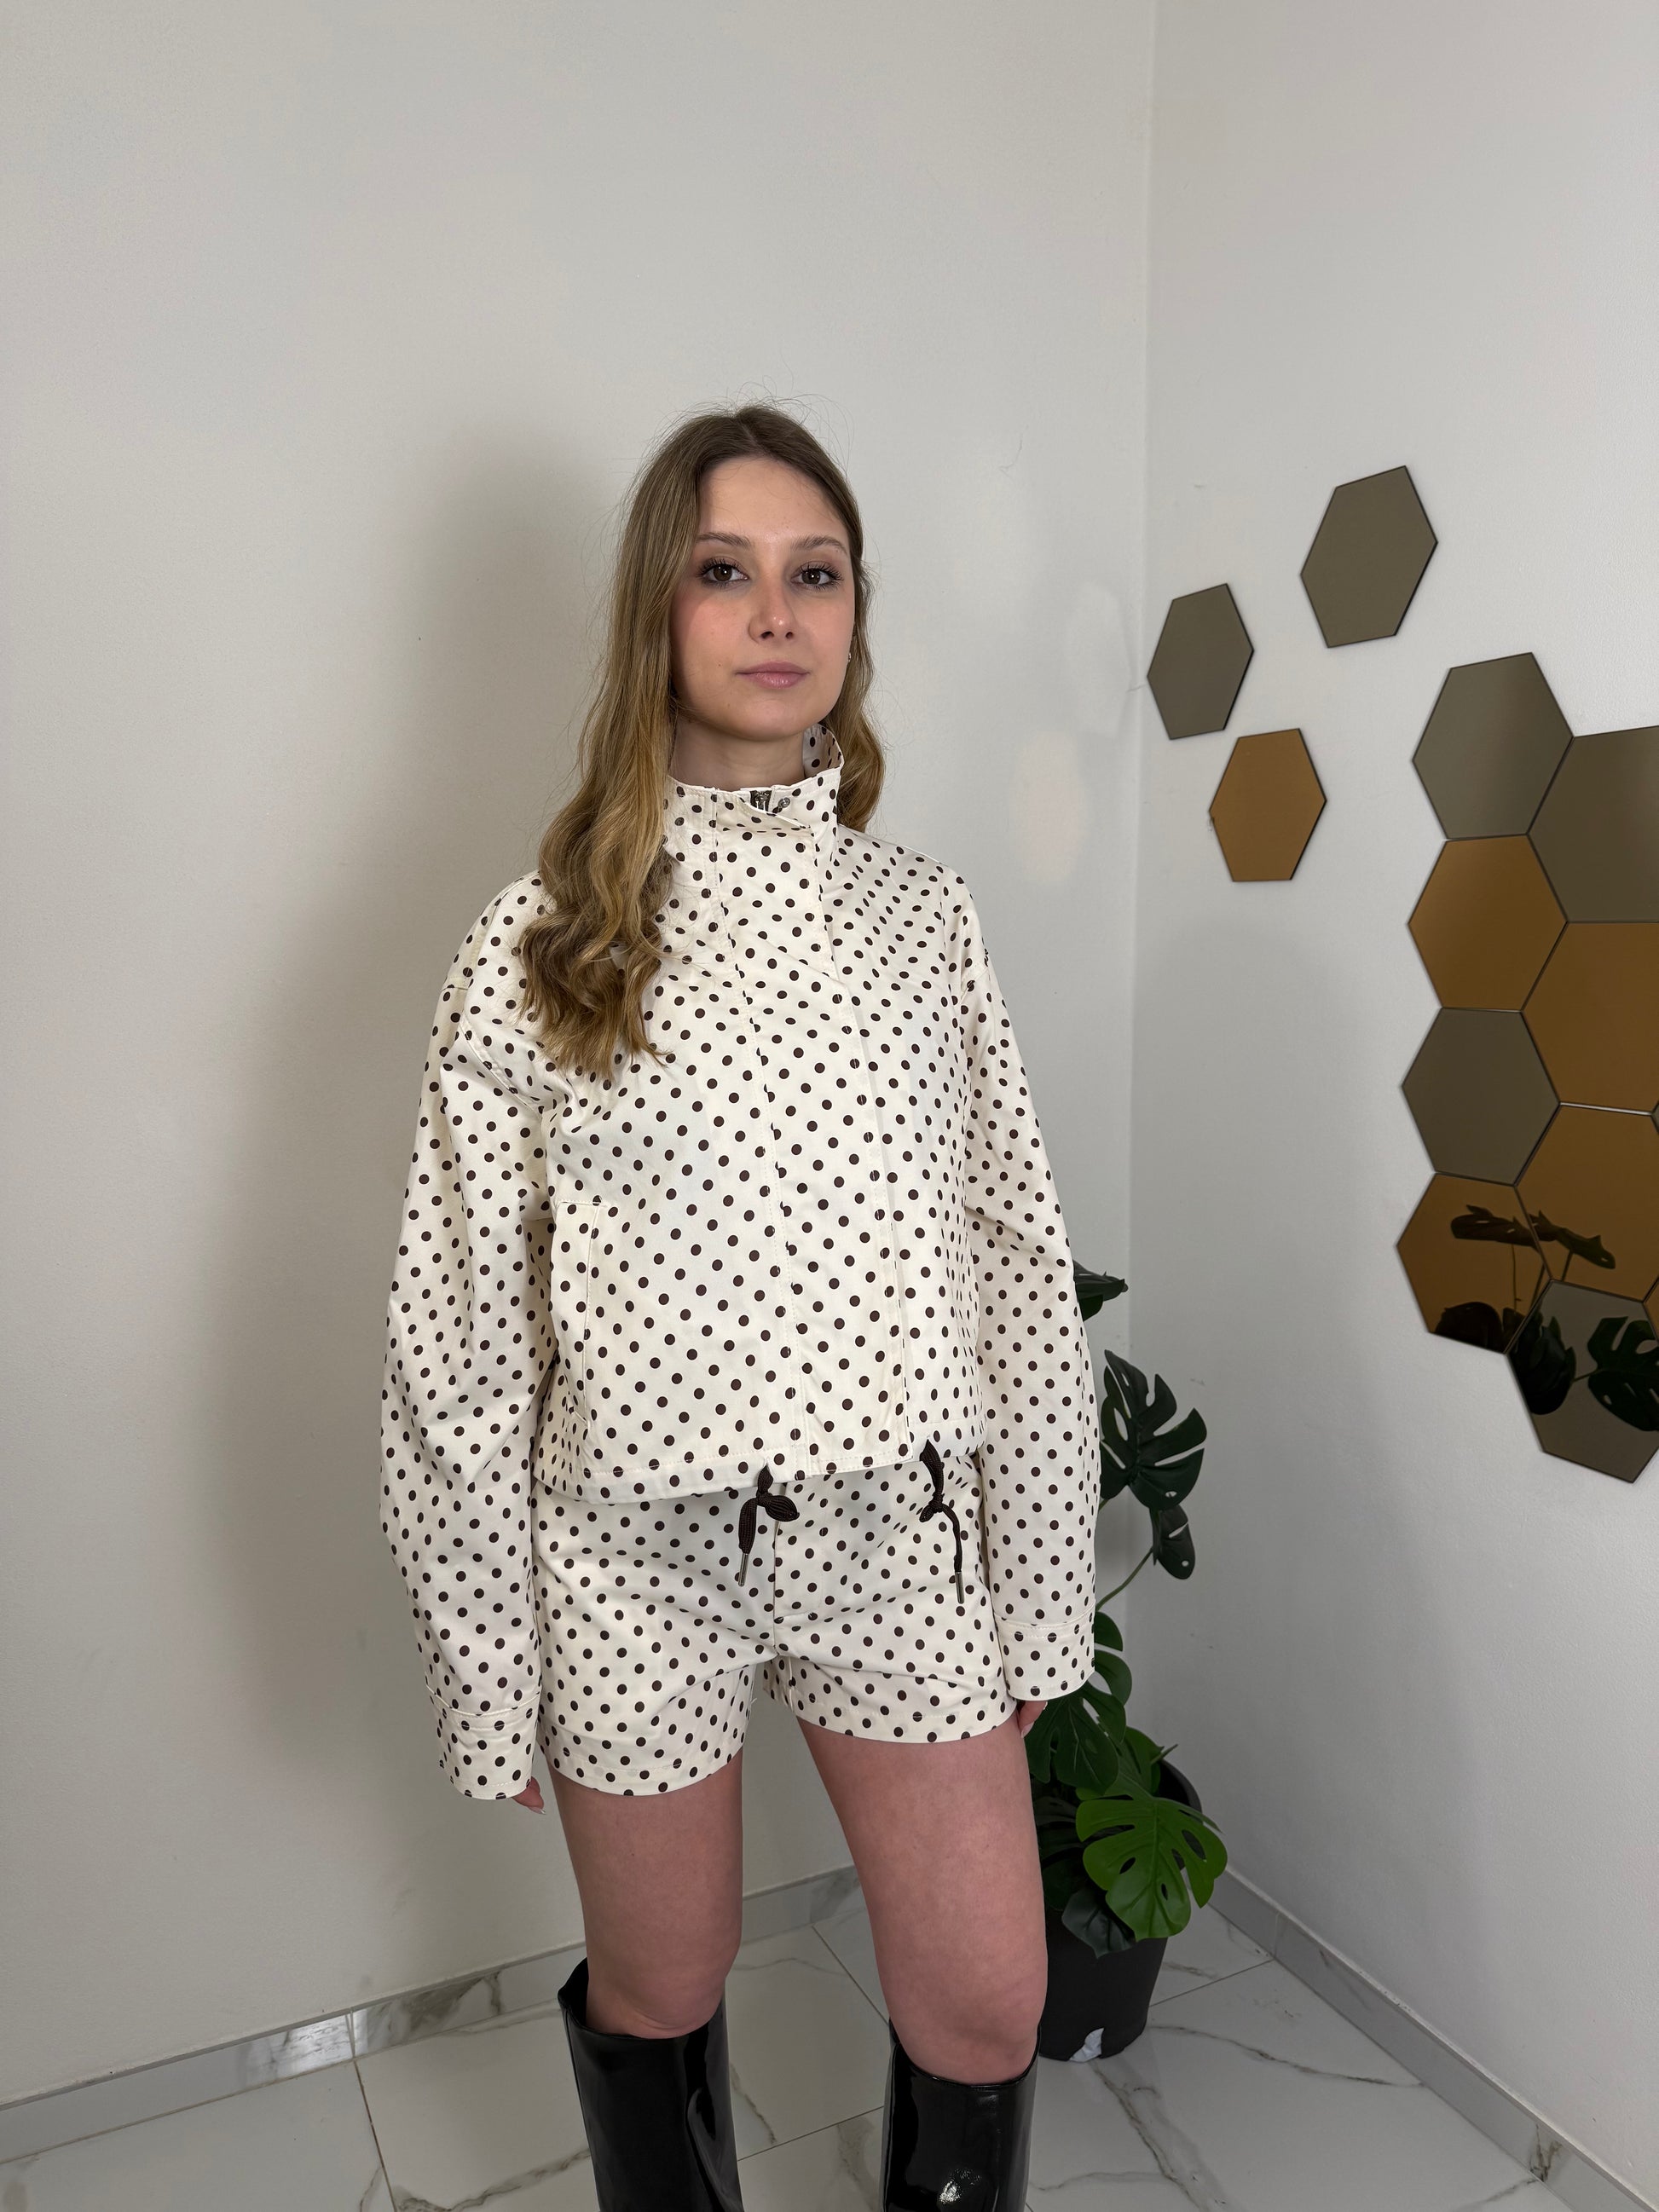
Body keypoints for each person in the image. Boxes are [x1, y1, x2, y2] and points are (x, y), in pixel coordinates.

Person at [379, 403, 1100, 2210]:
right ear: (659, 610)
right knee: (666, 1983)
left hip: (897, 1535)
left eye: (816, 573)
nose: (777, 614)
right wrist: (488, 1665)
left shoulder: (921, 917)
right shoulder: (538, 937)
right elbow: (456, 1339)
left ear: (854, 613)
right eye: (724, 571)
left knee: (988, 1995)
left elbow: (1011, 1255)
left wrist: (1034, 1587)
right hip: (632, 1560)